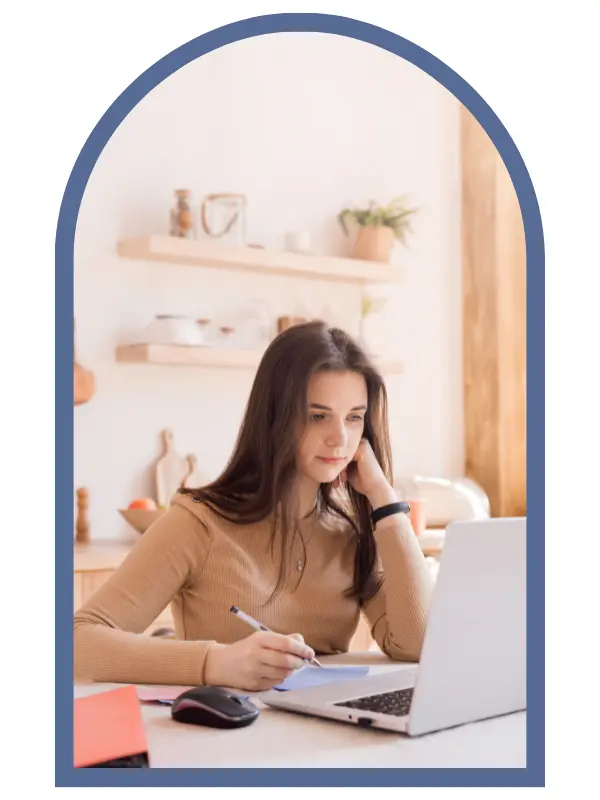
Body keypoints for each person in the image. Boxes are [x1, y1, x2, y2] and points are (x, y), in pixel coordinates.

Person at [74, 321, 434, 690]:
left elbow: (418, 645)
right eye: (317, 415)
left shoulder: (352, 534)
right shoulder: (198, 523)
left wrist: (385, 500)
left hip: (327, 736)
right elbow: (77, 642)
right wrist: (215, 663)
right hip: (221, 737)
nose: (340, 438)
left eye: (354, 417)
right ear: (275, 417)